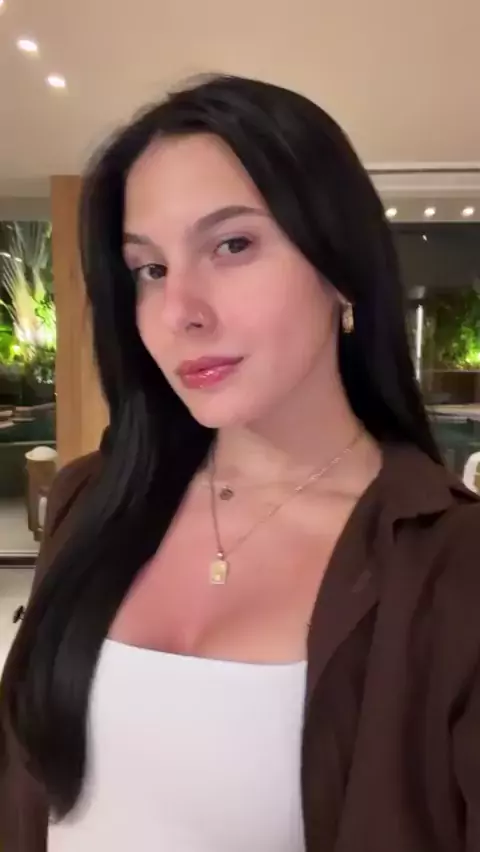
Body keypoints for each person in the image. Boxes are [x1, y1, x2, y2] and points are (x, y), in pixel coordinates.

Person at [0, 74, 479, 852]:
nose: (179, 311)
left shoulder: (449, 566)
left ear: (341, 268)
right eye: (149, 269)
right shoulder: (94, 498)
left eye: (232, 245)